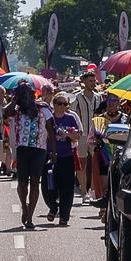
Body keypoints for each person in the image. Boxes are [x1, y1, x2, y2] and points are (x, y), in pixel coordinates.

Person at [5, 81, 56, 230]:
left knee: (35, 181)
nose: (26, 95)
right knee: (22, 182)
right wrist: (15, 99)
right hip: (22, 149)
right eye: (23, 93)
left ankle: (30, 217)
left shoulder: (44, 109)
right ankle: (24, 206)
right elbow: (6, 113)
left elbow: (51, 132)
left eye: (28, 92)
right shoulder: (18, 109)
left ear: (34, 94)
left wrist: (53, 151)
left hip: (39, 150)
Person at [46, 93, 82, 226]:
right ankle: (53, 207)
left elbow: (78, 135)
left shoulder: (71, 118)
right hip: (51, 157)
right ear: (54, 104)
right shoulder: (49, 118)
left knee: (67, 188)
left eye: (65, 104)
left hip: (67, 156)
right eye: (59, 103)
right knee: (49, 187)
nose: (62, 107)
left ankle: (64, 216)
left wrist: (67, 134)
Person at [71, 72, 102, 203]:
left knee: (96, 164)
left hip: (95, 135)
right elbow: (72, 115)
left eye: (94, 81)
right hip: (82, 135)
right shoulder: (77, 98)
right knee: (82, 164)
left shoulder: (99, 98)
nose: (93, 83)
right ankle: (83, 191)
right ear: (84, 82)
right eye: (90, 81)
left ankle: (93, 191)